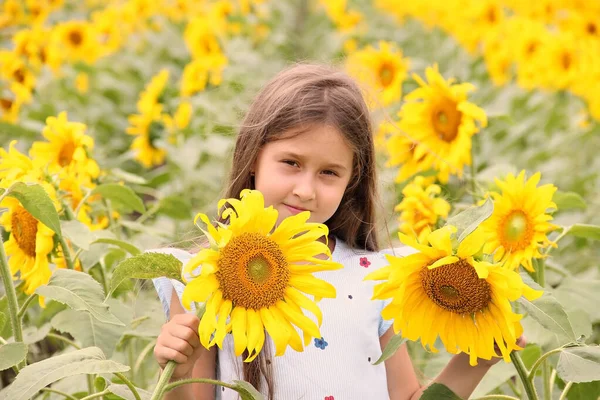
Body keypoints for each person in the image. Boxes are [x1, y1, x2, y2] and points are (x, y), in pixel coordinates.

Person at [152, 63, 521, 400]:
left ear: (351, 180)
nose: (306, 189)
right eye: (291, 163)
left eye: (329, 172)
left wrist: (475, 362)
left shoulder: (374, 277)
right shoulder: (203, 276)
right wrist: (177, 373)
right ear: (253, 158)